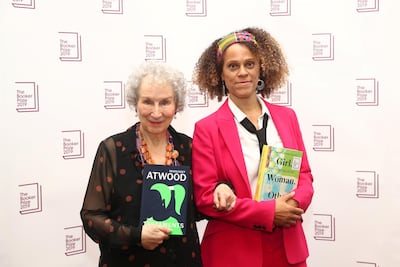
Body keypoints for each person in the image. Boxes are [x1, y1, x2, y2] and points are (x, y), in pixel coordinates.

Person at [80, 62, 234, 267]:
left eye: (165, 102)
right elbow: (92, 217)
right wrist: (137, 236)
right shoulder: (113, 149)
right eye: (147, 102)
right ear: (135, 103)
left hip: (182, 260)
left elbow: (199, 207)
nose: (156, 112)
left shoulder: (188, 147)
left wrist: (221, 188)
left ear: (176, 105)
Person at [191, 27, 314, 267]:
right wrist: (269, 212)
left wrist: (292, 205)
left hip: (287, 247)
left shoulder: (287, 117)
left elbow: (305, 176)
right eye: (233, 66)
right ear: (221, 75)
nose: (242, 73)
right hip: (233, 252)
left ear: (261, 68)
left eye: (249, 64)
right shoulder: (207, 128)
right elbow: (205, 197)